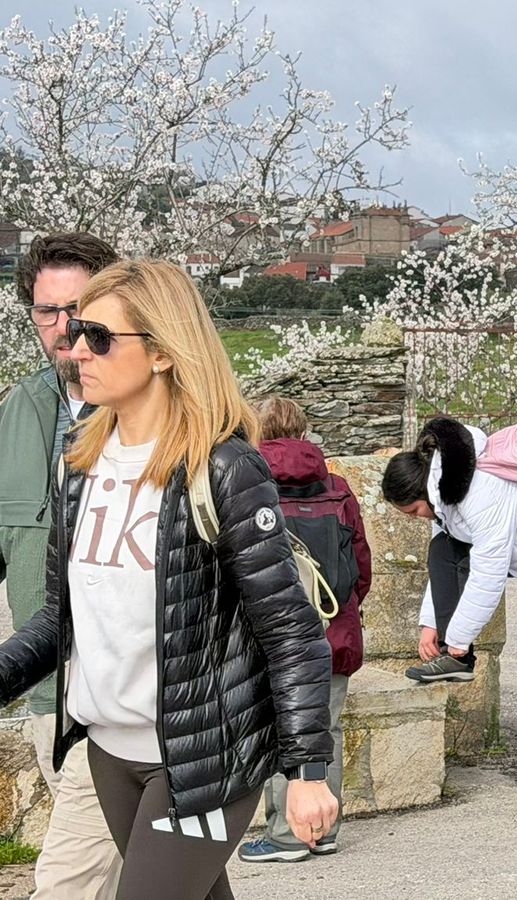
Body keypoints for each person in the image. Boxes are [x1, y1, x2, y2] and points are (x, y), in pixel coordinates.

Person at [0, 259, 338, 899]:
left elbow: (289, 629)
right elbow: (60, 617)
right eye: (76, 332)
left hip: (202, 758)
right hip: (109, 753)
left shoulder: (223, 469)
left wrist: (308, 769)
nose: (77, 349)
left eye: (99, 336)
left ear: (161, 352)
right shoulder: (80, 462)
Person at [382, 416, 517, 793]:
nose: (418, 518)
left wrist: (458, 640)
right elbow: (448, 559)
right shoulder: (445, 490)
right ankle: (459, 661)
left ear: (422, 490)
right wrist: (432, 624)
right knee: (442, 547)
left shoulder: (479, 491)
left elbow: (488, 570)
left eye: (413, 512)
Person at [0, 232, 122, 899]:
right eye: (47, 311)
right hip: (48, 689)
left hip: (134, 693)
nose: (64, 326)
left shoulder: (151, 407)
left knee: (71, 880)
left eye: (78, 308)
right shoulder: (18, 409)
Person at [238, 396, 372, 864]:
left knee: (282, 729)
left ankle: (287, 835)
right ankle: (323, 830)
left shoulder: (248, 484)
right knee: (324, 728)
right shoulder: (337, 488)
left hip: (272, 636)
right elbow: (360, 566)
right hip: (334, 633)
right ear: (303, 430)